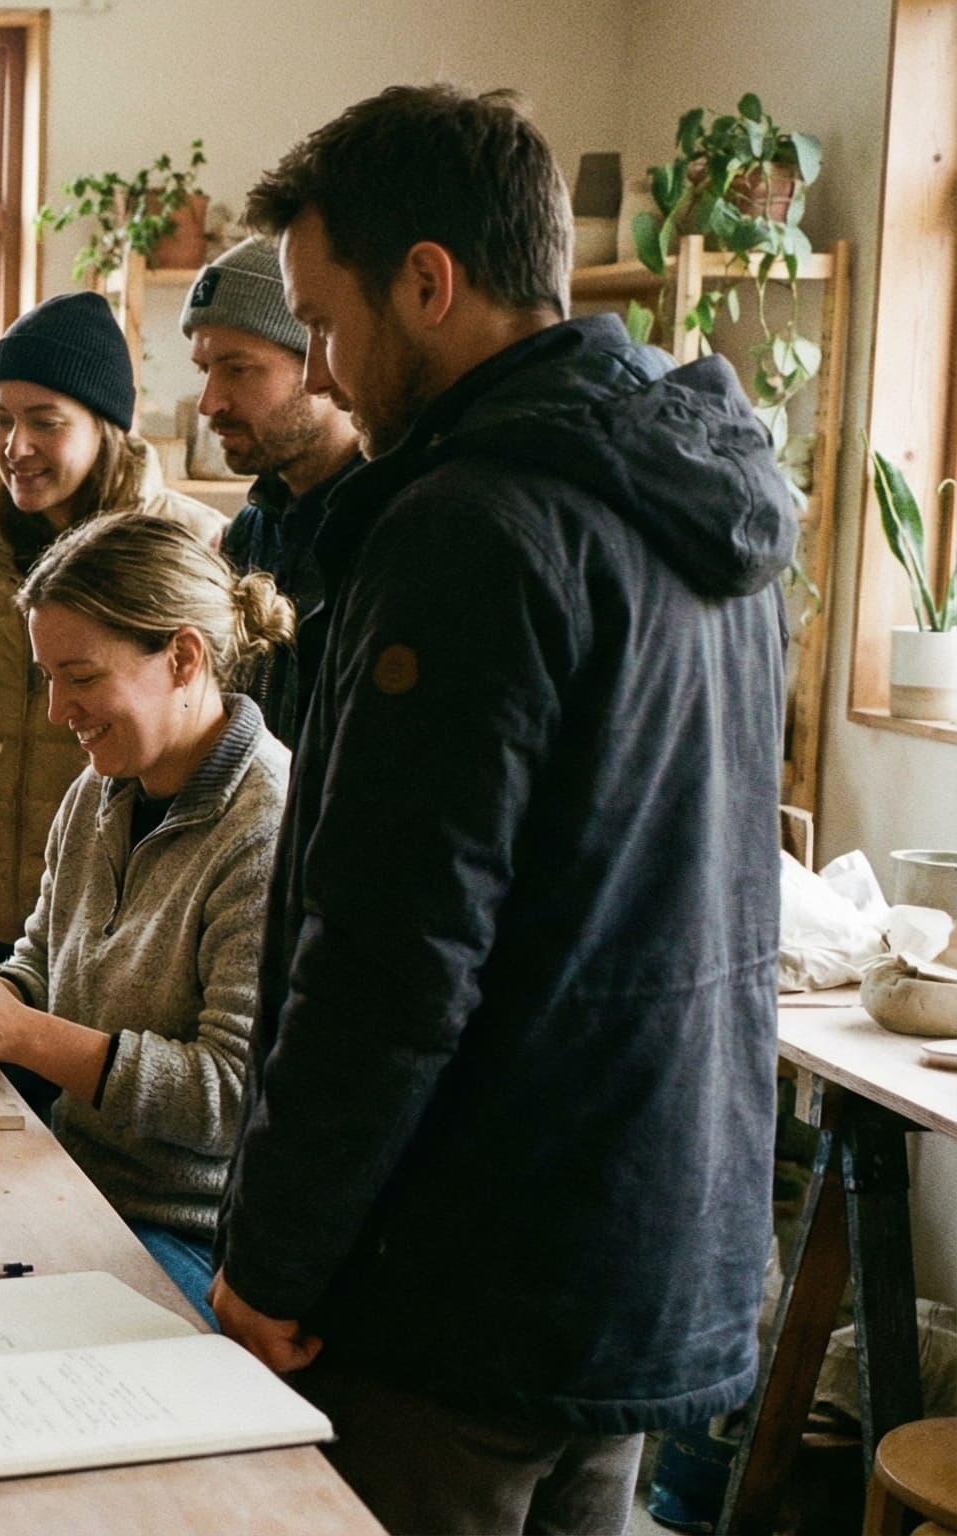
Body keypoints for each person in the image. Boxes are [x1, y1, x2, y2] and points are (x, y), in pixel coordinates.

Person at [210, 86, 791, 1535]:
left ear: (430, 280)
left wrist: (271, 1258)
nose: (327, 370)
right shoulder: (699, 498)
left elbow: (392, 953)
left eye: (327, 321)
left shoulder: (472, 527)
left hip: (468, 1271)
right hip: (642, 1246)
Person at [0, 514, 291, 1325]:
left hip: (188, 1235)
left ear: (185, 657)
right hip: (72, 1180)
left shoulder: (268, 827)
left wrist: (18, 1035)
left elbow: (228, 1098)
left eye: (81, 677)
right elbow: (41, 969)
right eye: (46, 677)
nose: (58, 710)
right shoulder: (99, 790)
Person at [0, 292, 221, 1107]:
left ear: (104, 425)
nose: (14, 446)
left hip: (122, 920)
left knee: (97, 1138)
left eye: (44, 420)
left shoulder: (189, 548)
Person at [178, 236, 362, 746]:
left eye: (238, 369)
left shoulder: (388, 521)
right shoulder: (250, 531)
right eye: (204, 370)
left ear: (320, 359)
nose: (209, 402)